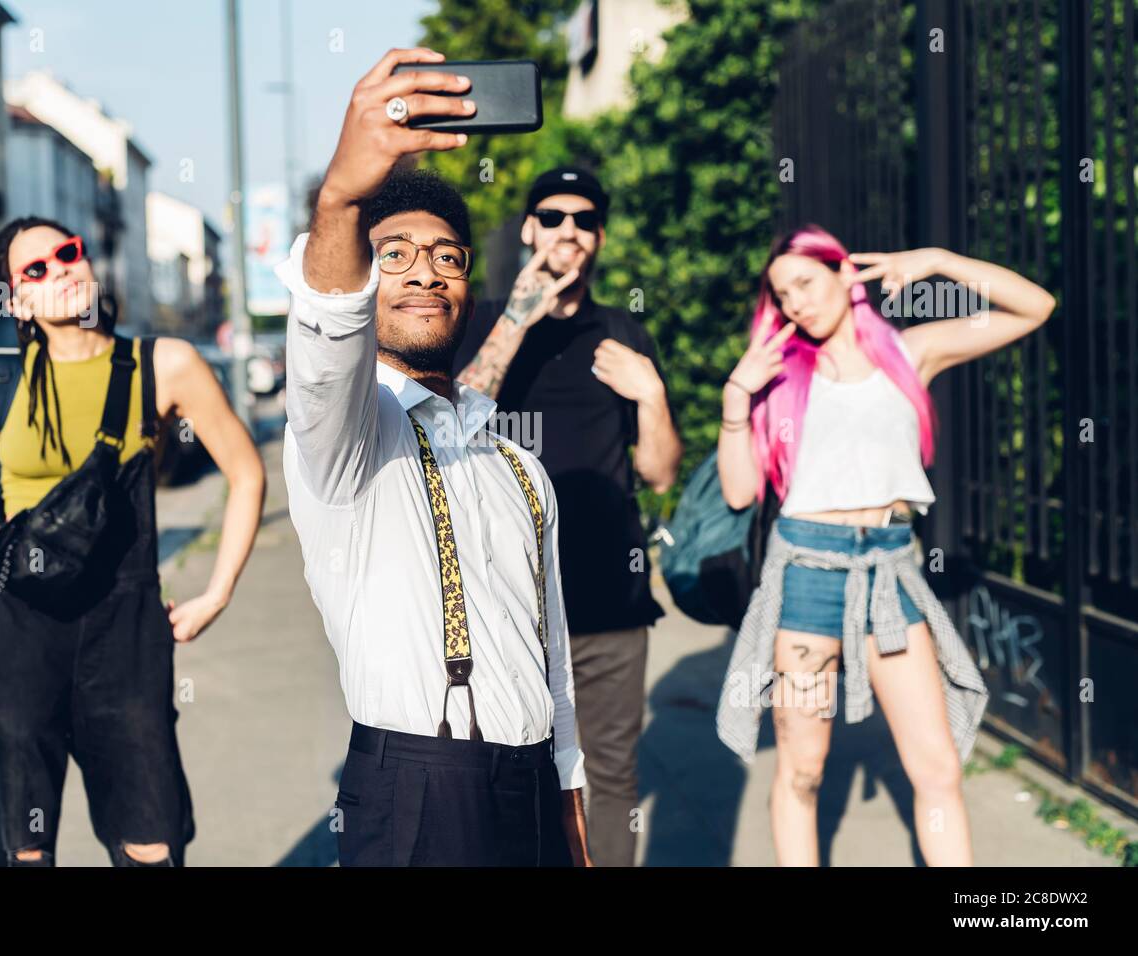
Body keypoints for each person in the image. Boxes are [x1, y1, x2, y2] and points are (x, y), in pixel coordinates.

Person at [278, 47, 591, 867]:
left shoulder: (516, 466)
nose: (426, 272)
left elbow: (551, 656)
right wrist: (342, 198)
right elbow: (324, 342)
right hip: (416, 791)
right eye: (395, 255)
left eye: (447, 257)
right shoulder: (348, 438)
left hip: (531, 788)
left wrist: (570, 800)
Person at [0, 216, 266, 866]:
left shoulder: (162, 365)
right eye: (37, 269)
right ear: (16, 300)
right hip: (15, 630)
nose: (61, 271)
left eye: (68, 253)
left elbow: (246, 471)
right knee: (18, 847)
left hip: (126, 631)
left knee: (152, 843)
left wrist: (216, 592)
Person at [715, 224, 1056, 866]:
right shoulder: (776, 375)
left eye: (807, 283)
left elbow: (1035, 307)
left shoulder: (910, 352)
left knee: (936, 765)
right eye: (783, 294)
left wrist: (937, 260)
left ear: (847, 274)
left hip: (891, 574)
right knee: (804, 768)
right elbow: (738, 494)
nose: (796, 303)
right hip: (808, 575)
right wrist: (737, 397)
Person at [453, 167, 682, 866]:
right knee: (509, 775)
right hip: (505, 601)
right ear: (529, 230)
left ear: (600, 238)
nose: (568, 231)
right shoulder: (484, 321)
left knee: (611, 776)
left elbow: (660, 471)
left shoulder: (622, 332)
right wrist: (520, 317)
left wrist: (652, 397)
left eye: (584, 220)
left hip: (610, 599)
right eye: (551, 217)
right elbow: (450, 426)